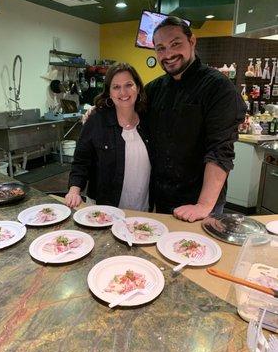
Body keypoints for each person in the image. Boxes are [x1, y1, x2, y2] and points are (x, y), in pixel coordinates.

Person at [145, 16, 246, 222]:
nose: (168, 54)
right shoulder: (154, 89)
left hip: (200, 201)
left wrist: (203, 205)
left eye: (175, 44)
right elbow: (128, 114)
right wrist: (100, 110)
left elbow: (220, 150)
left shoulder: (218, 87)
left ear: (192, 41)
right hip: (161, 196)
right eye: (161, 48)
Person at [65, 62, 152, 211]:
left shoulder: (149, 120)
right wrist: (74, 190)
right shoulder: (96, 121)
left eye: (128, 85)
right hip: (105, 209)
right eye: (116, 87)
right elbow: (81, 161)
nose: (123, 92)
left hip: (142, 208)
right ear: (109, 93)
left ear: (137, 88)